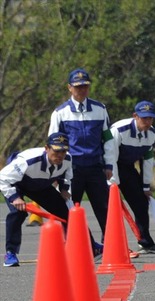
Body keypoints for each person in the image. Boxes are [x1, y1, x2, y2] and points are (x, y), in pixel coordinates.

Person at [48, 68, 115, 248]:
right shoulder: (60, 113)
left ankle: (109, 244)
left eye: (85, 86)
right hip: (72, 169)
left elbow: (108, 140)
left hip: (95, 167)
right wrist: (55, 174)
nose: (82, 90)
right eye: (78, 87)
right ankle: (72, 244)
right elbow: (52, 146)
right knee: (69, 208)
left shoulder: (100, 109)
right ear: (69, 88)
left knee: (104, 208)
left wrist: (109, 164)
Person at [2, 133, 84, 266]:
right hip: (16, 183)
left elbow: (67, 175)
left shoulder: (67, 159)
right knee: (18, 213)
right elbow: (3, 178)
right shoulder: (28, 161)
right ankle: (10, 253)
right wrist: (15, 197)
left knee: (65, 212)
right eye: (56, 150)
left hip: (41, 184)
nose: (60, 155)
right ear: (47, 148)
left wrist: (64, 189)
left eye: (63, 151)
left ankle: (76, 248)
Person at [109, 101, 155, 254]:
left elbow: (147, 161)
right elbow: (110, 157)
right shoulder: (119, 130)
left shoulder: (152, 133)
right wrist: (113, 184)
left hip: (127, 168)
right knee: (111, 207)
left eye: (151, 118)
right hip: (108, 168)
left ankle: (145, 242)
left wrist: (146, 186)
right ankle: (110, 245)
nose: (148, 122)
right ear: (135, 116)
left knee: (141, 203)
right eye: (144, 118)